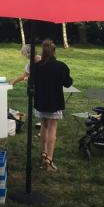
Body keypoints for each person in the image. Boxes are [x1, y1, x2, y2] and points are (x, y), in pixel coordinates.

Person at [31, 39, 72, 172]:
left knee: (44, 125)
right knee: (52, 128)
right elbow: (67, 83)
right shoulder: (61, 66)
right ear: (54, 51)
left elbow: (32, 83)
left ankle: (43, 153)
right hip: (54, 101)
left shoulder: (36, 66)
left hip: (40, 100)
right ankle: (49, 159)